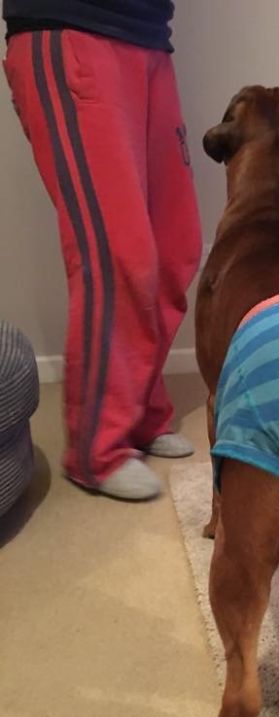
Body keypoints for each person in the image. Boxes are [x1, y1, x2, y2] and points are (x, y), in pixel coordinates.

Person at [2, 1, 202, 499]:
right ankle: (99, 448)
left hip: (150, 37)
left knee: (176, 246)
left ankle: (142, 413)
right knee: (116, 254)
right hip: (71, 27)